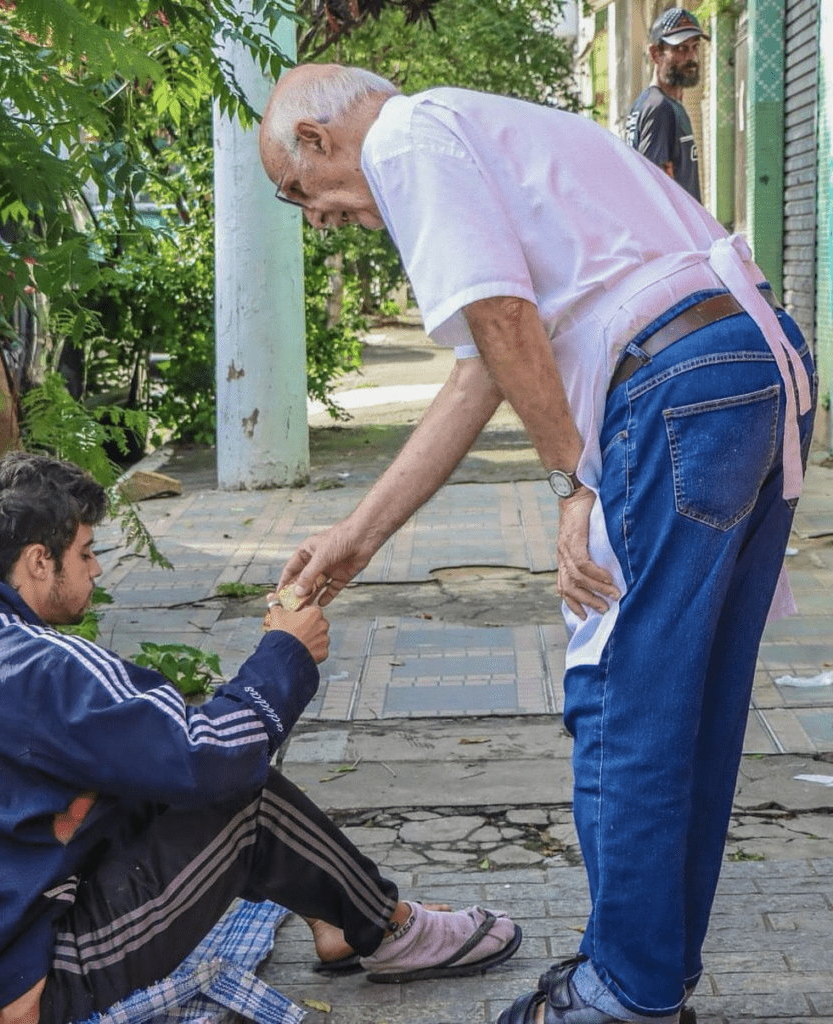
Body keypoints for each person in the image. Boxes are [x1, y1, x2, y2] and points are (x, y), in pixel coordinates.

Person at [258, 64, 816, 1024]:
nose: (318, 220)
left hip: (678, 383)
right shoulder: (482, 128)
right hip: (751, 367)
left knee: (620, 691)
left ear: (315, 140)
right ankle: (647, 977)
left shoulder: (403, 141)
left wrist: (572, 485)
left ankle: (621, 994)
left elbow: (507, 321)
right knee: (695, 694)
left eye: (298, 195)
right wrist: (357, 537)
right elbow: (487, 365)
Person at [0, 451, 521, 1024]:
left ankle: (340, 919)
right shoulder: (40, 664)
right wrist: (285, 652)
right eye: (86, 552)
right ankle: (388, 929)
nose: (97, 570)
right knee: (241, 798)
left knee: (146, 783)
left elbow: (153, 751)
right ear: (39, 561)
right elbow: (213, 758)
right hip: (17, 987)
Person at [625, 8, 709, 201]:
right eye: (680, 48)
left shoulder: (653, 103)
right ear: (655, 54)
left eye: (694, 47)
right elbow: (652, 190)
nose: (691, 57)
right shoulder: (659, 108)